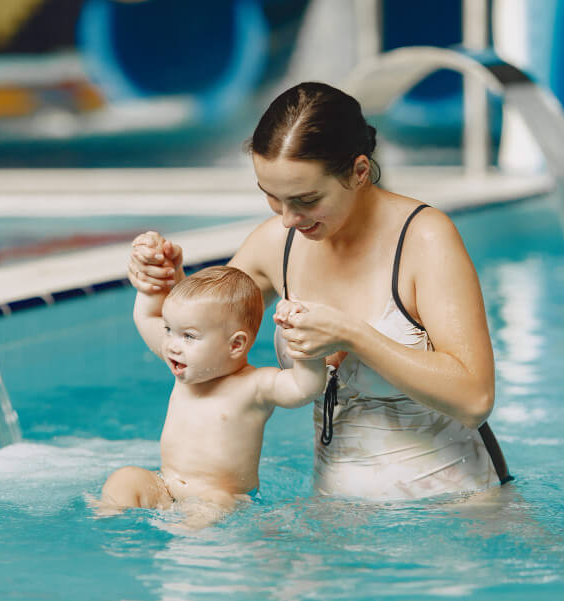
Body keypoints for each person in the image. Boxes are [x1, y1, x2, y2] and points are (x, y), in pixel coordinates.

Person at [127, 81, 513, 501]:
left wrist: (354, 335)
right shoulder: (278, 243)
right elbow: (203, 350)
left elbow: (475, 397)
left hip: (455, 508)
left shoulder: (424, 240)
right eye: (272, 197)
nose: (289, 218)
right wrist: (167, 284)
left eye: (306, 199)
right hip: (335, 516)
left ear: (359, 171)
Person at [100, 262, 328, 521]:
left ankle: (187, 537)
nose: (172, 345)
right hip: (165, 486)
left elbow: (305, 387)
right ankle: (111, 519)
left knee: (214, 502)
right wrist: (148, 289)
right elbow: (146, 318)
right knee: (125, 479)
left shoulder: (255, 385)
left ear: (236, 345)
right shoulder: (187, 371)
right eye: (168, 330)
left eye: (188, 336)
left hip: (223, 496)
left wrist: (303, 338)